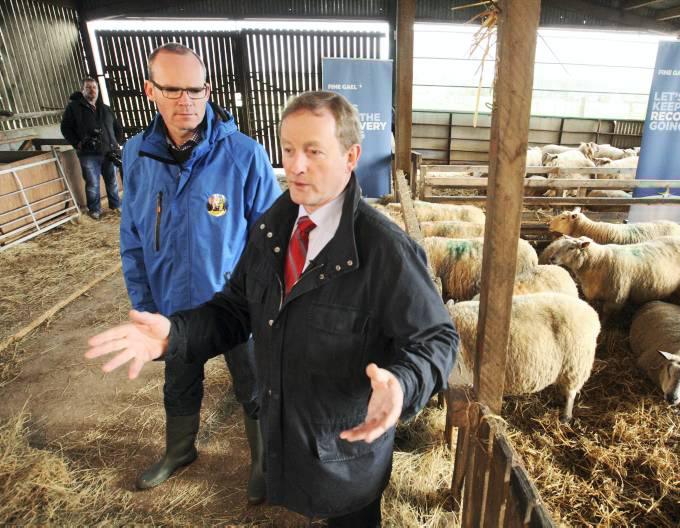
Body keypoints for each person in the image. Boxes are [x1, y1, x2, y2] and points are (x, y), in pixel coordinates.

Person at [86, 90, 458, 526]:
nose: (295, 166)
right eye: (288, 149)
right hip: (288, 443)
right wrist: (175, 334)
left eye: (313, 151)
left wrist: (403, 383)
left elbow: (437, 339)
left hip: (345, 458)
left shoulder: (384, 249)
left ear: (351, 156)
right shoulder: (272, 227)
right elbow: (234, 309)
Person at [117, 43, 281, 504]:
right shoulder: (137, 155)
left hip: (236, 309)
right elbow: (132, 235)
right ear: (150, 90)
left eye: (195, 89)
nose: (185, 100)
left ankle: (263, 463)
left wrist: (262, 305)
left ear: (208, 90)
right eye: (173, 90)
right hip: (172, 306)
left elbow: (273, 241)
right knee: (179, 383)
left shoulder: (244, 155)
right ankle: (180, 450)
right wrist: (144, 305)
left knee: (254, 385)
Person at [60, 77, 123, 220]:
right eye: (88, 87)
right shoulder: (74, 108)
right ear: (82, 90)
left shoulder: (105, 108)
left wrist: (116, 142)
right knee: (92, 183)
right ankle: (95, 210)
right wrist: (77, 143)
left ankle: (115, 206)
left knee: (112, 181)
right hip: (88, 153)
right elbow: (65, 128)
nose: (92, 90)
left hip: (109, 152)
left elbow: (117, 127)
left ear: (98, 90)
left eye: (94, 87)